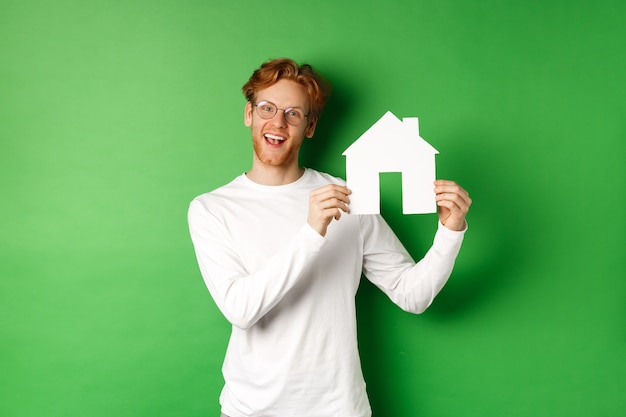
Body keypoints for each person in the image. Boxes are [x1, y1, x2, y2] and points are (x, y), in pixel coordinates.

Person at [188, 58, 472, 417]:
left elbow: (411, 294)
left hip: (339, 409)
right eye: (267, 108)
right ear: (249, 114)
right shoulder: (212, 209)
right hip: (252, 410)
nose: (277, 123)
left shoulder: (349, 197)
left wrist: (450, 232)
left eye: (293, 114)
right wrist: (311, 231)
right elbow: (241, 309)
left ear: (310, 126)